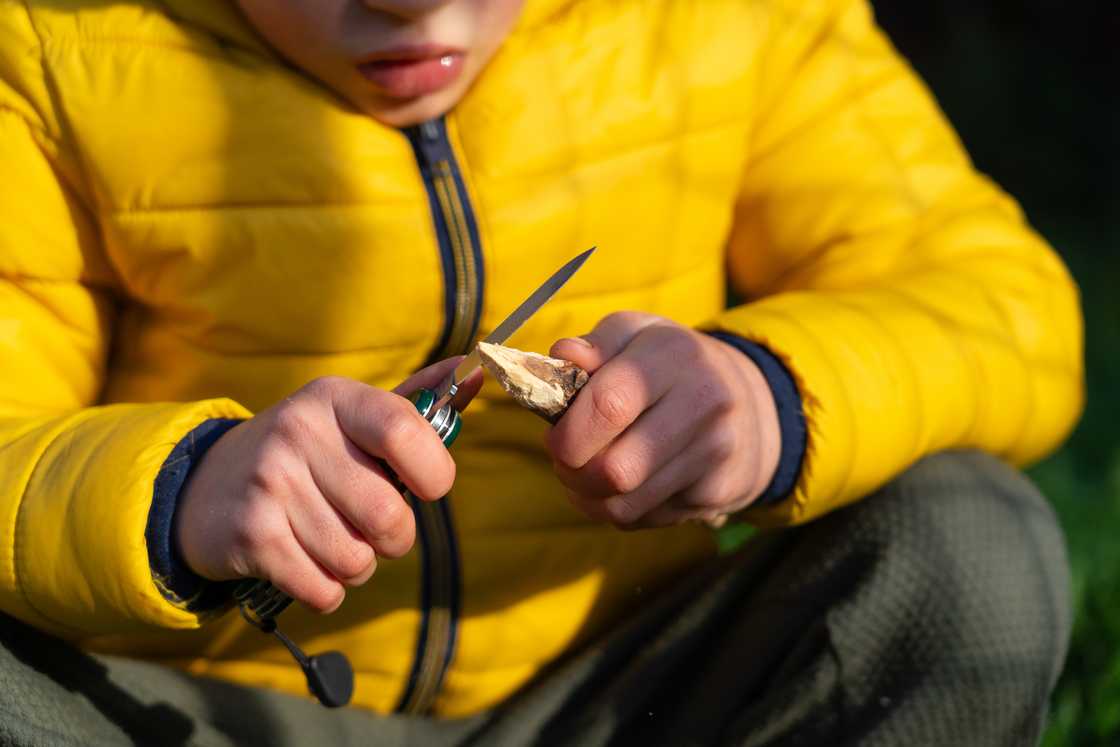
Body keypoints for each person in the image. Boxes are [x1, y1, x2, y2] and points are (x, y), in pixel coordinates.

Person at [0, 0, 1083, 744]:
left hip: (631, 700)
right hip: (197, 715)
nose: (414, 5)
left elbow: (1011, 314)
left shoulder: (727, 22)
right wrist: (179, 490)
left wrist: (768, 394)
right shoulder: (57, 58)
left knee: (968, 537)